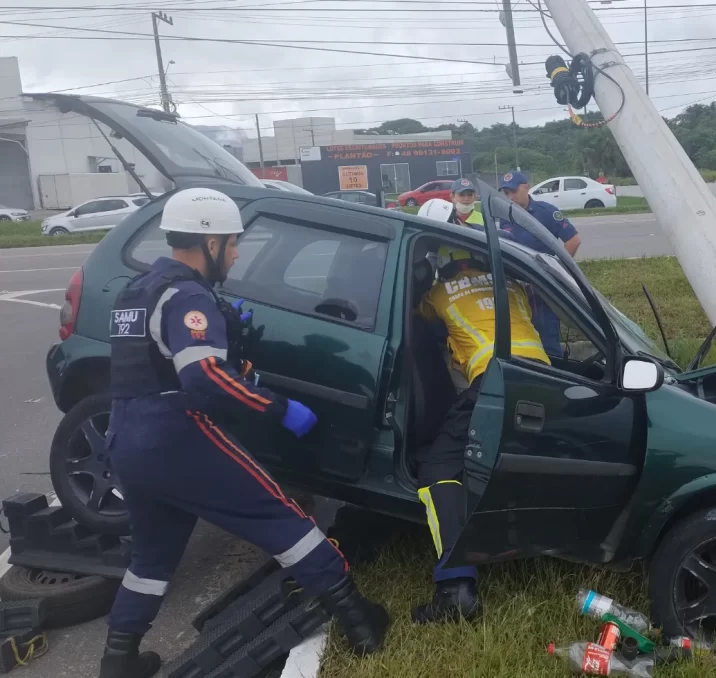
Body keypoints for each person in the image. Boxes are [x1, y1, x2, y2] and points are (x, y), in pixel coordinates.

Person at [98, 187, 389, 678]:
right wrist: (280, 408)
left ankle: (118, 660)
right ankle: (360, 622)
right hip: (178, 440)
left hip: (126, 439)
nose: (235, 253)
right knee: (285, 519)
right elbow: (203, 377)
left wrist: (229, 352)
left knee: (150, 558)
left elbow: (156, 365)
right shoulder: (187, 295)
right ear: (208, 243)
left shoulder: (137, 290)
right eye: (232, 244)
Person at [411, 198, 550, 625]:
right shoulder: (509, 286)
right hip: (545, 382)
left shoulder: (439, 293)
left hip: (491, 385)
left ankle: (455, 591)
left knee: (438, 471)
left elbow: (415, 319)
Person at [496, 170, 581, 356]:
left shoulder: (546, 212)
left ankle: (557, 373)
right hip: (518, 286)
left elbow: (573, 240)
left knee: (547, 334)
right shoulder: (505, 217)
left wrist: (557, 270)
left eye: (513, 191)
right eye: (506, 193)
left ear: (526, 188)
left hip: (542, 286)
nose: (510, 197)